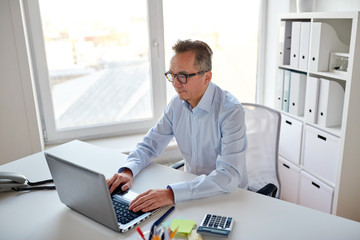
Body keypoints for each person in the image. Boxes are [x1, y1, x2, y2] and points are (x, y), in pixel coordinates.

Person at [107, 39, 248, 213]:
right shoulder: (176, 105)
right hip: (190, 195)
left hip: (228, 198)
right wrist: (128, 170)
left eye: (183, 76)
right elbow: (150, 144)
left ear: (207, 77)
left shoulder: (230, 111)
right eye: (172, 75)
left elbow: (228, 176)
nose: (175, 84)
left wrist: (171, 193)